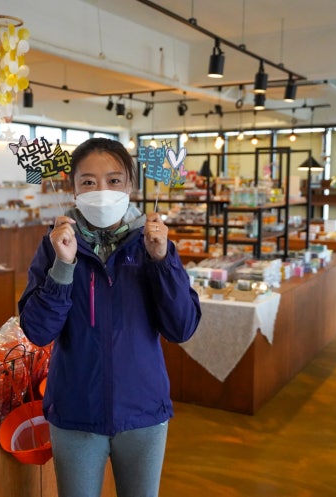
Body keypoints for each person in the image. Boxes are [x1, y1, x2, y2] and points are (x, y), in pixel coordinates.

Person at [18, 137, 202, 497]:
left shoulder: (152, 244)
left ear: (130, 186)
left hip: (144, 411)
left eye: (114, 180)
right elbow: (38, 331)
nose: (101, 190)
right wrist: (63, 266)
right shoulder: (54, 246)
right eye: (88, 181)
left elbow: (182, 327)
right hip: (75, 410)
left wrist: (161, 261)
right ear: (72, 189)